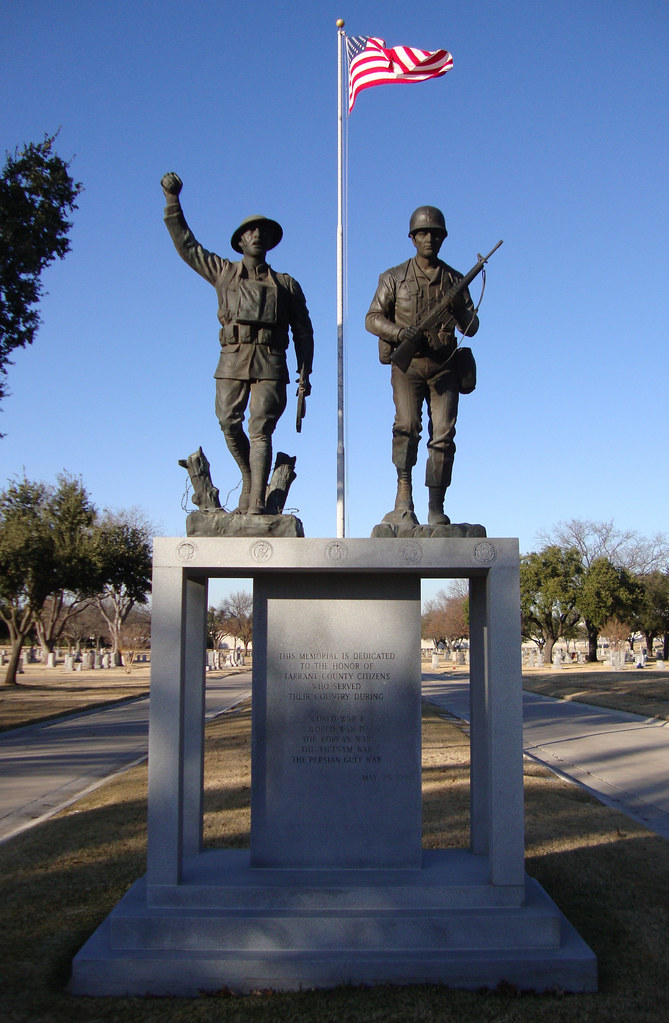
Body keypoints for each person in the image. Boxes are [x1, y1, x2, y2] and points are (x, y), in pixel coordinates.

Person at [161, 172, 314, 515]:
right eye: (250, 231)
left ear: (270, 241)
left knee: (260, 429)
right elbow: (188, 246)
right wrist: (173, 202)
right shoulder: (223, 272)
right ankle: (249, 478)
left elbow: (304, 331)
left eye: (262, 232)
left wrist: (306, 372)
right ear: (240, 241)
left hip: (272, 360)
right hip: (233, 356)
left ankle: (257, 501)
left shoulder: (287, 284)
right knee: (229, 422)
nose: (256, 235)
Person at [365, 206, 479, 525]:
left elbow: (471, 327)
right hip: (408, 366)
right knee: (406, 427)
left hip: (445, 366)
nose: (430, 238)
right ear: (412, 238)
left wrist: (459, 310)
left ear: (443, 238)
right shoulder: (393, 277)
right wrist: (400, 332)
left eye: (436, 233)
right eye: (423, 233)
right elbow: (372, 318)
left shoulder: (456, 279)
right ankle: (404, 496)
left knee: (443, 435)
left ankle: (436, 505)